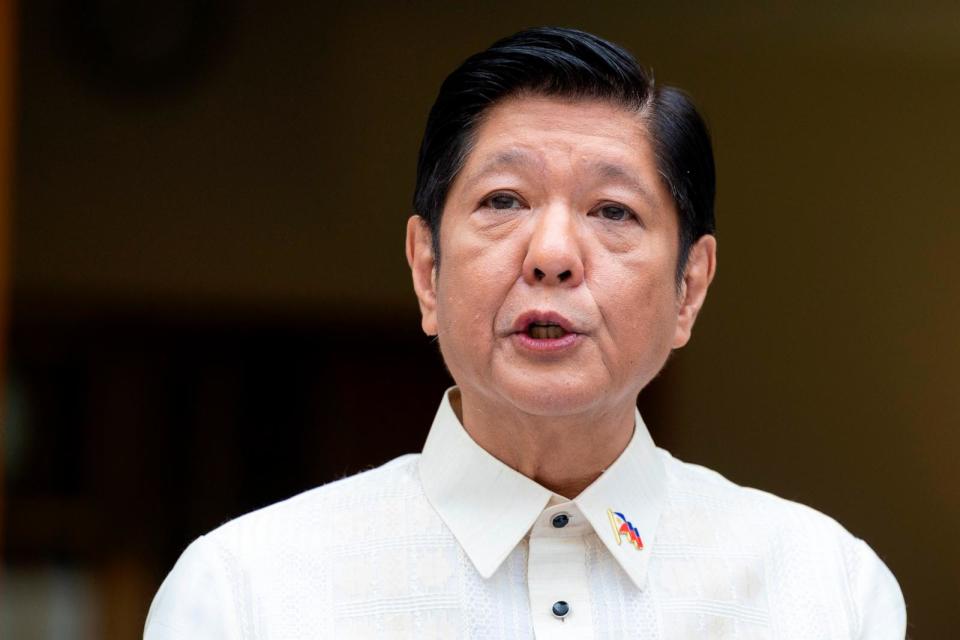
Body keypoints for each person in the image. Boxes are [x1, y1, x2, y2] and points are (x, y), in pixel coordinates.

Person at [144, 27, 906, 639]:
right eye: (503, 200)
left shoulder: (827, 590)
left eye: (613, 211)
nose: (551, 256)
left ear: (689, 287)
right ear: (425, 269)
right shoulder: (246, 593)